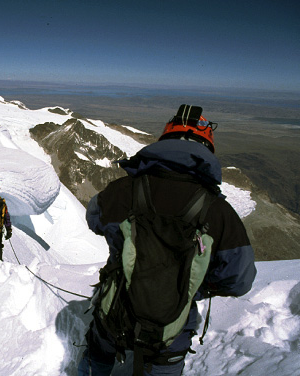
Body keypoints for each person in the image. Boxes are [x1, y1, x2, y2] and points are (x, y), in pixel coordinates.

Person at [78, 104, 257, 375]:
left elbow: (94, 220)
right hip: (172, 330)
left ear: (164, 140)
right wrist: (194, 283)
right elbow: (239, 280)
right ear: (207, 148)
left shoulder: (123, 190)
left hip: (114, 313)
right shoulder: (218, 212)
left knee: (98, 356)